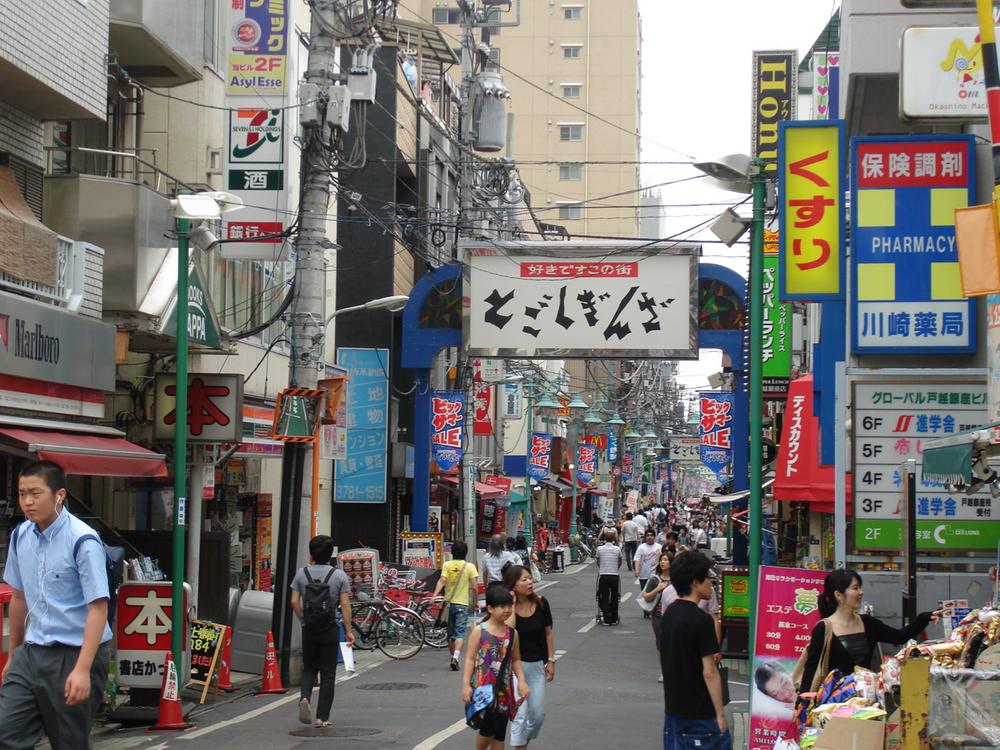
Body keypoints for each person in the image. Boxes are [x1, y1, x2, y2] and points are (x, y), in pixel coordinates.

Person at [0, 461, 112, 749]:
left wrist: (82, 669)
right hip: (31, 653)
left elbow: (98, 608)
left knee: (68, 742)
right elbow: (19, 597)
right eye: (22, 493)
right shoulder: (20, 536)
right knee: (6, 734)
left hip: (75, 653)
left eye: (35, 493)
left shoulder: (83, 540)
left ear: (59, 494)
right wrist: (13, 655)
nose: (27, 501)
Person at [797, 569, 941, 695]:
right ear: (839, 595)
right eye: (855, 588)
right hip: (833, 704)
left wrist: (923, 618)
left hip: (866, 702)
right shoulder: (824, 628)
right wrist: (802, 703)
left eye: (860, 587)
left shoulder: (868, 623)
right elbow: (811, 667)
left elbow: (900, 637)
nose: (861, 592)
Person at [660, 550, 730, 750]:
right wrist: (720, 714)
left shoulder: (669, 614)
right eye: (708, 577)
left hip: (673, 711)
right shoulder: (702, 621)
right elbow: (709, 672)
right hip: (700, 713)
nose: (711, 582)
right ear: (695, 582)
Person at [290, 534, 353, 728]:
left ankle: (305, 698)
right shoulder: (339, 575)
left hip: (309, 628)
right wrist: (348, 631)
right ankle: (322, 717)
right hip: (329, 628)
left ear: (311, 553)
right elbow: (344, 604)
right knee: (328, 673)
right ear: (330, 554)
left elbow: (294, 601)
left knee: (309, 667)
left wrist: (303, 620)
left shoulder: (302, 574)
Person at [462, 583, 530, 750]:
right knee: (488, 729)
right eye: (502, 606)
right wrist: (465, 685)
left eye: (509, 605)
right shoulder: (480, 631)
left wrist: (521, 682)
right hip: (483, 689)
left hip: (504, 689)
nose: (506, 610)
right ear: (490, 608)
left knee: (499, 733)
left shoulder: (513, 634)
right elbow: (470, 658)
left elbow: (516, 660)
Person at [502, 565, 554, 750]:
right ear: (513, 585)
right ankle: (520, 746)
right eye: (524, 579)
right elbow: (509, 632)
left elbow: (548, 633)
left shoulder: (541, 602)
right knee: (520, 715)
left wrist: (551, 660)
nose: (529, 582)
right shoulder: (508, 608)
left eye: (530, 578)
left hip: (537, 666)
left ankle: (522, 740)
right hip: (514, 668)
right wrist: (513, 604)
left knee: (537, 716)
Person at [433, 540, 480, 671]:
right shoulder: (470, 567)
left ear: (452, 552)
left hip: (448, 605)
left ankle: (453, 656)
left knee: (450, 635)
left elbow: (442, 580)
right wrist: (475, 602)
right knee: (459, 633)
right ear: (466, 552)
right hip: (462, 604)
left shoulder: (447, 564)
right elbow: (475, 588)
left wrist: (435, 594)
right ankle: (456, 657)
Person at [643, 551, 672, 682]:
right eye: (661, 560)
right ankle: (665, 671)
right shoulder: (654, 579)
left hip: (674, 616)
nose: (663, 562)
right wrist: (658, 589)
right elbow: (646, 597)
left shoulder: (677, 579)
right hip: (658, 616)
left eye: (666, 560)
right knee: (661, 644)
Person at [595, 529, 623, 625]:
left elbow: (598, 561)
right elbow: (620, 561)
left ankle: (606, 619)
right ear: (614, 539)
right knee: (615, 597)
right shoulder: (617, 549)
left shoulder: (600, 549)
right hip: (614, 575)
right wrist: (615, 568)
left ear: (604, 539)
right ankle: (614, 618)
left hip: (604, 575)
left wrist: (602, 568)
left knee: (604, 596)